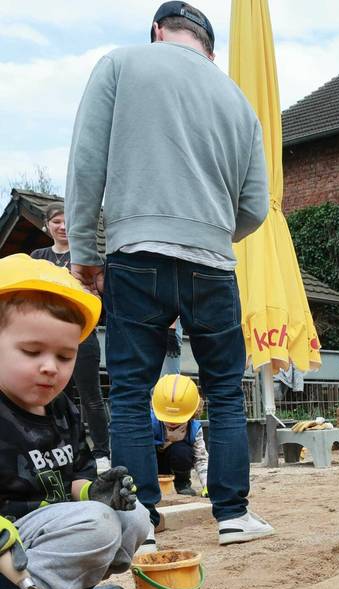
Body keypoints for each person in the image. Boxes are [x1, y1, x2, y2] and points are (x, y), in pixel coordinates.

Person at [65, 2, 272, 547]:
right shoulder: (237, 99)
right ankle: (232, 516)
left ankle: (144, 523)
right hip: (213, 262)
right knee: (225, 392)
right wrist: (207, 230)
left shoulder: (121, 64)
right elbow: (254, 206)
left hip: (136, 252)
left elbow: (86, 168)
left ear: (158, 32)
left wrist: (85, 251)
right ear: (208, 47)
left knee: (131, 392)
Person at [0, 255, 149, 589]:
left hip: (39, 532)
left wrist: (94, 492)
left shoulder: (62, 408)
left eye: (65, 356)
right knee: (98, 527)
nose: (51, 366)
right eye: (32, 351)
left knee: (133, 515)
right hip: (5, 549)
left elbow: (74, 478)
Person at [31, 203, 111, 472]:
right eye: (56, 221)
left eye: (67, 221)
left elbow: (99, 296)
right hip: (46, 337)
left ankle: (101, 452)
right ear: (47, 225)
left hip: (81, 333)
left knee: (91, 395)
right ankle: (55, 451)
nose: (62, 227)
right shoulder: (38, 256)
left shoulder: (86, 256)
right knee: (53, 396)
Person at [151, 374, 208, 497]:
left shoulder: (194, 428)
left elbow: (201, 458)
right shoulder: (150, 421)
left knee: (182, 451)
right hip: (152, 464)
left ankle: (182, 483)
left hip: (175, 461)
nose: (172, 421)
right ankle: (149, 483)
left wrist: (208, 485)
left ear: (194, 410)